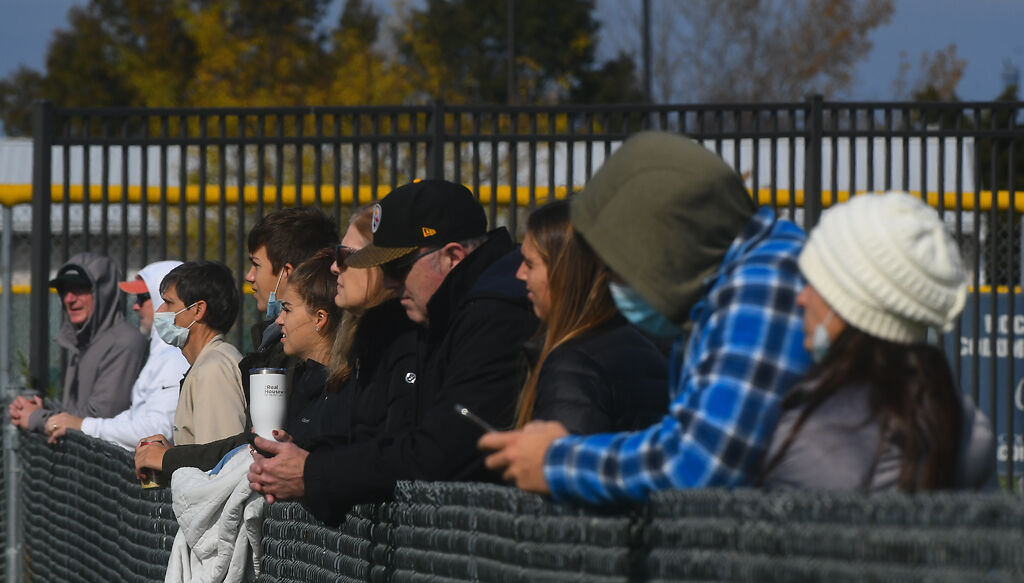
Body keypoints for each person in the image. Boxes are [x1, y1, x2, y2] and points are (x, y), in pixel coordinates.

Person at [479, 131, 810, 505]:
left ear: (661, 247)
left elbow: (697, 464)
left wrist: (556, 461)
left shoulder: (763, 284)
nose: (609, 282)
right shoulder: (732, 281)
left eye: (617, 265)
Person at [248, 179, 536, 513]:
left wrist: (314, 471)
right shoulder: (447, 311)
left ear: (452, 258)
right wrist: (310, 461)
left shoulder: (494, 315)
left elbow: (441, 451)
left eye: (396, 266)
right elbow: (394, 439)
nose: (389, 280)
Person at [760, 192, 995, 491]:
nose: (802, 297)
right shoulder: (970, 429)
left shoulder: (810, 440)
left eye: (815, 283)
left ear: (847, 304)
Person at [135, 208, 339, 483]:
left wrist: (170, 459)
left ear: (286, 273)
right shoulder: (273, 348)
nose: (249, 276)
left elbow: (244, 455)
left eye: (256, 264)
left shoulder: (287, 360)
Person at [514, 198, 668, 433]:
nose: (520, 274)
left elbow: (563, 464)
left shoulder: (574, 365)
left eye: (530, 264)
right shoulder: (643, 345)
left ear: (565, 272)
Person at [46, 261, 191, 449]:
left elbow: (157, 430)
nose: (135, 307)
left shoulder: (175, 358)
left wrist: (83, 426)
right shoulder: (162, 354)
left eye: (142, 298)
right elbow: (135, 416)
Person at [9, 252, 147, 435]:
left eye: (79, 289)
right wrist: (42, 408)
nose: (69, 299)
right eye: (65, 290)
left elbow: (98, 420)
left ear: (103, 291)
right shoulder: (84, 341)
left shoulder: (124, 343)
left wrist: (37, 418)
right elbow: (75, 412)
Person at [155, 261, 245, 445]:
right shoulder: (207, 363)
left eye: (168, 303)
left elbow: (222, 461)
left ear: (198, 310)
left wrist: (167, 460)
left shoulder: (213, 369)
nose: (159, 311)